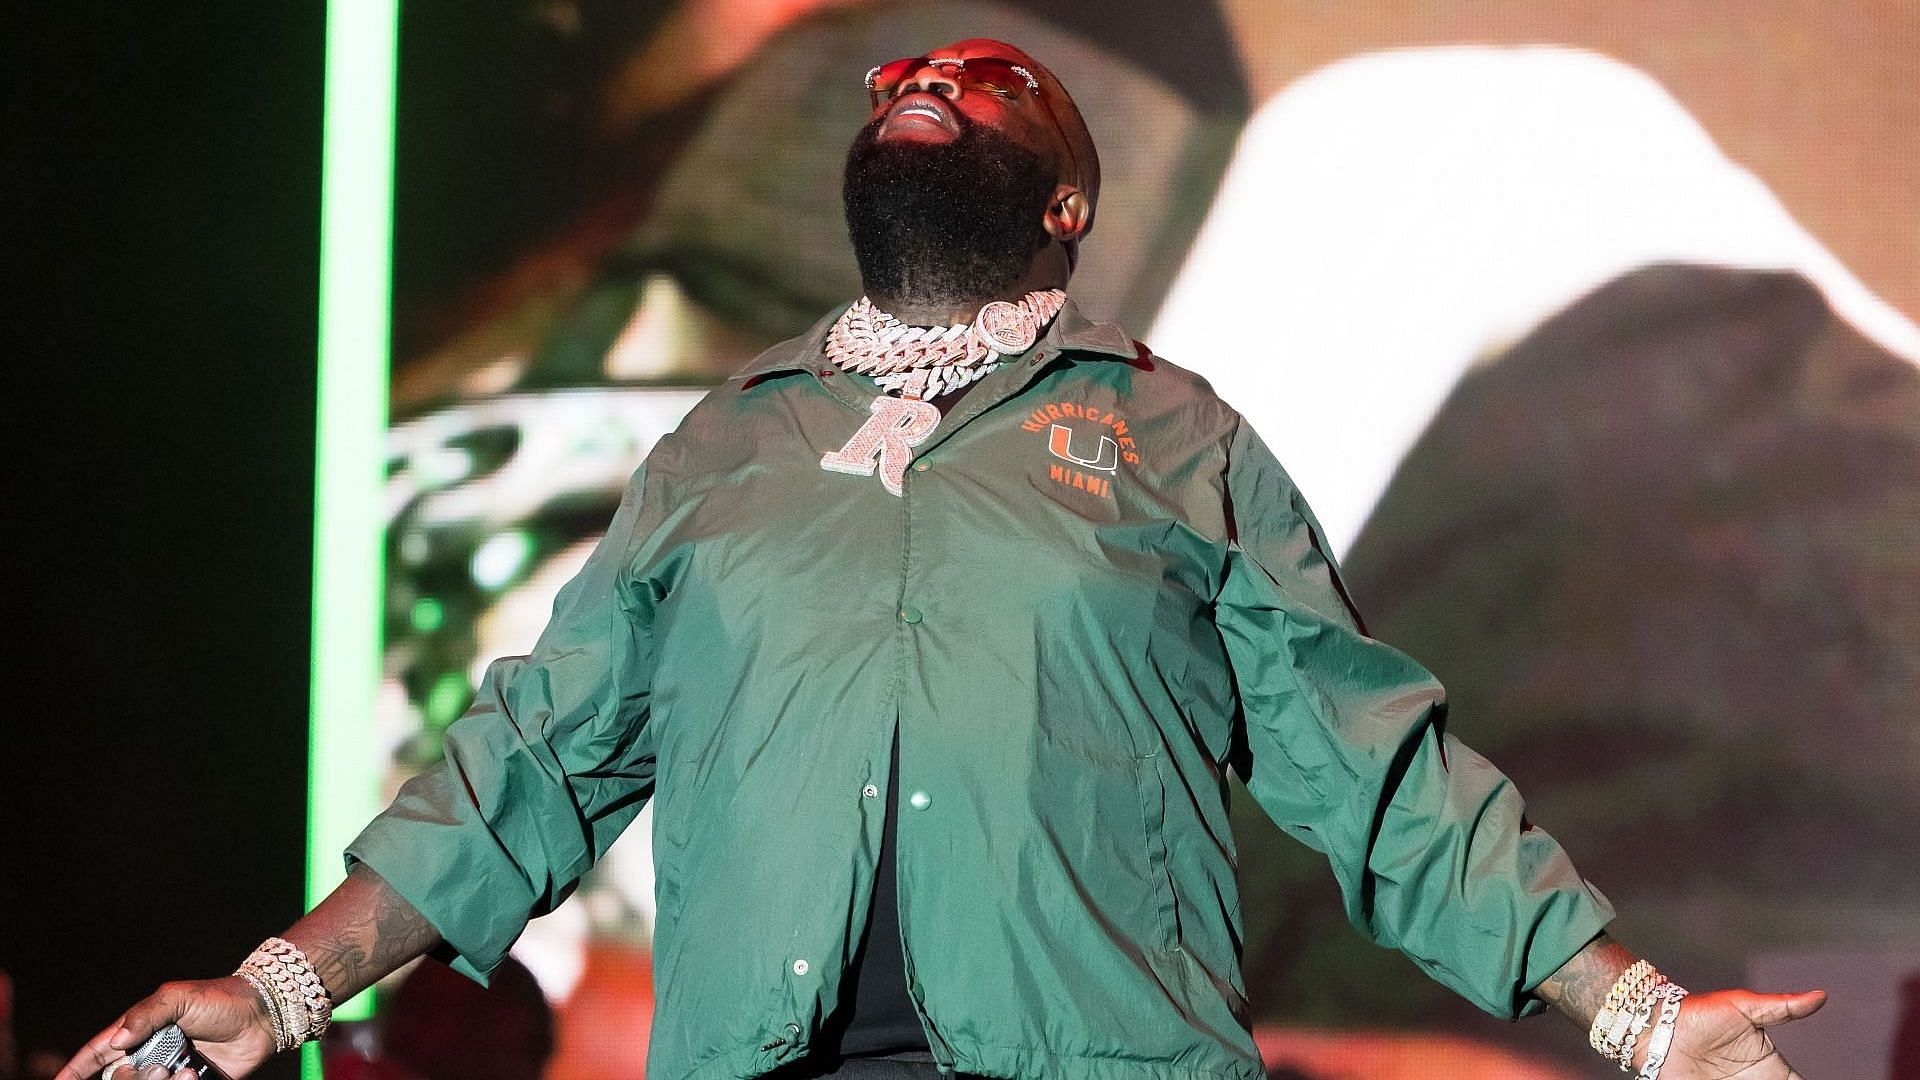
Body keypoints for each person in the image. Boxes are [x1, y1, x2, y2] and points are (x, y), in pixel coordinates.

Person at [60, 39, 1825, 1080]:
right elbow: (530, 763)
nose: (931, 79)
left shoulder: (1168, 436)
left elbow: (1377, 779)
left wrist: (1645, 1019)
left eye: (989, 85)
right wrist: (274, 989)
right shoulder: (726, 446)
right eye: (907, 80)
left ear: (1066, 200)